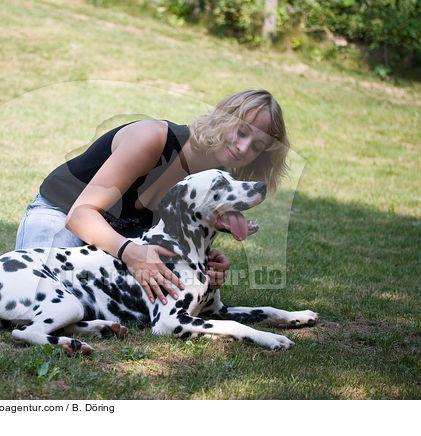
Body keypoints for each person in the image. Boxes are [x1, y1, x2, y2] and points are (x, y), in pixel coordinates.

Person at [15, 89, 289, 306]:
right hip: (62, 212)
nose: (243, 148)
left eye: (257, 147)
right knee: (30, 293)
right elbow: (80, 214)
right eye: (241, 132)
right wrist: (130, 252)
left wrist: (206, 263)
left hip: (121, 240)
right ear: (223, 117)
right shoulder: (153, 138)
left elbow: (170, 239)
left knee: (83, 302)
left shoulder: (217, 182)